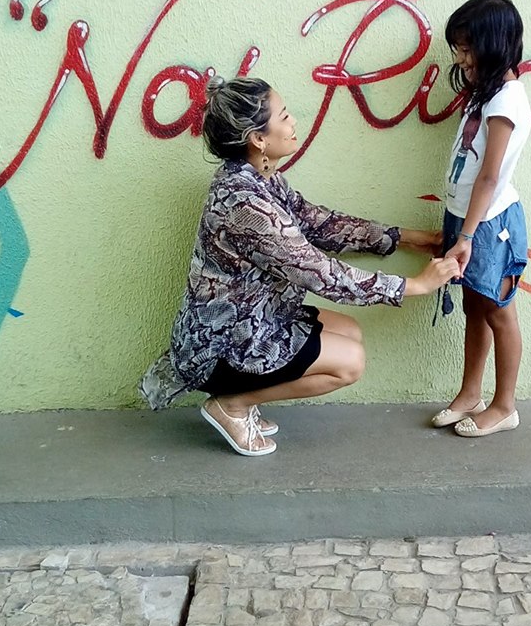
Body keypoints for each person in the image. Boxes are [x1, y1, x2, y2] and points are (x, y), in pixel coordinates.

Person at [140, 75, 460, 456]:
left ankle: (242, 398)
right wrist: (414, 285)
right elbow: (319, 273)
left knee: (350, 332)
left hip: (256, 318)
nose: (293, 122)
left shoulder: (259, 178)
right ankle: (232, 404)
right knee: (350, 363)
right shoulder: (245, 205)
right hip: (222, 344)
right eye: (284, 116)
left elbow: (320, 224)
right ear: (258, 139)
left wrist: (408, 238)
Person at [431, 0, 531, 438]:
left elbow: (489, 176)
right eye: (458, 48)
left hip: (489, 225)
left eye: (467, 48)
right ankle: (470, 393)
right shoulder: (486, 93)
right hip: (466, 218)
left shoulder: (507, 101)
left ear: (493, 45)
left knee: (499, 311)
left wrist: (467, 236)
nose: (460, 58)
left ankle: (504, 406)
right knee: (475, 306)